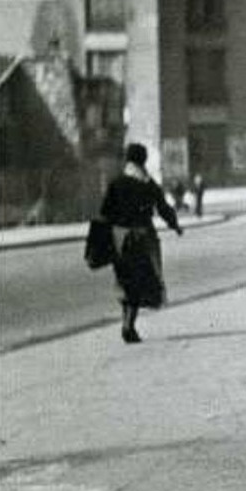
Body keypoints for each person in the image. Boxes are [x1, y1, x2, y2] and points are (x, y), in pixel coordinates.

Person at [99, 142, 183, 344]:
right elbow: (163, 209)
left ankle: (127, 323)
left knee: (125, 281)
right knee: (138, 281)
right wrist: (175, 226)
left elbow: (104, 212)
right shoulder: (148, 184)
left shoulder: (116, 182)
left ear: (127, 160)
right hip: (142, 239)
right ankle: (129, 325)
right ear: (143, 160)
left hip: (119, 238)